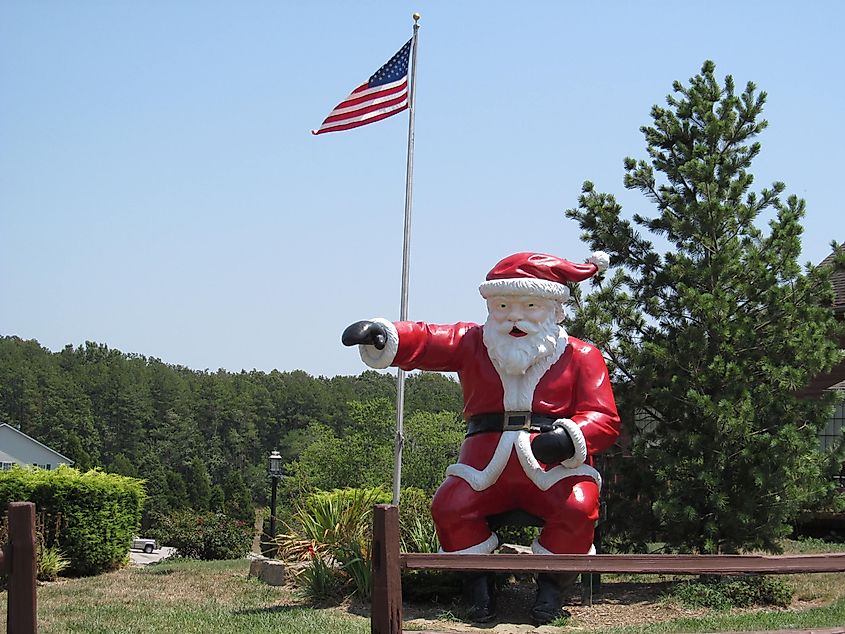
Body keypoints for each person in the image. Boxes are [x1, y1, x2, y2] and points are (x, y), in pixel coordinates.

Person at [342, 251, 620, 625]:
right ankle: (478, 589)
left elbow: (604, 417)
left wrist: (571, 437)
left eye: (530, 306)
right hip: (483, 462)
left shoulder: (582, 355)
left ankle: (551, 591)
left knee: (578, 506)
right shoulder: (473, 343)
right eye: (503, 305)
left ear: (555, 309)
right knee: (450, 506)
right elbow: (428, 339)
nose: (514, 317)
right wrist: (385, 336)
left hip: (553, 465)